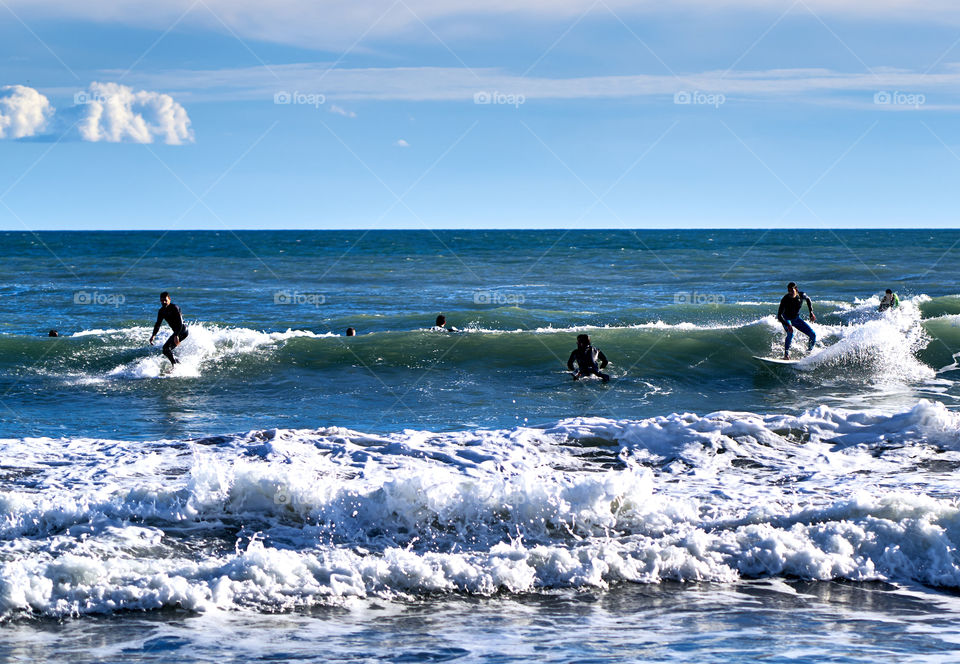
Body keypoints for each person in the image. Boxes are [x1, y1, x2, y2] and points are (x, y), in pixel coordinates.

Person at [777, 282, 816, 359]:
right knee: (791, 333)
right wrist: (787, 324)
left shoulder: (802, 295)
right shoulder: (785, 299)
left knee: (813, 334)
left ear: (796, 289)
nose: (790, 293)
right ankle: (786, 355)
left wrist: (811, 312)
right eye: (789, 291)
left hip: (796, 319)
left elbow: (808, 299)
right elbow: (779, 316)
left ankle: (809, 353)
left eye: (792, 291)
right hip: (786, 319)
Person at [149, 291, 188, 366]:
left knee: (166, 349)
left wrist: (176, 335)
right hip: (177, 332)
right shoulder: (161, 311)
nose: (163, 302)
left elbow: (180, 322)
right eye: (162, 300)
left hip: (182, 330)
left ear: (169, 299)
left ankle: (175, 365)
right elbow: (158, 324)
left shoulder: (175, 308)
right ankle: (178, 364)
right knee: (166, 350)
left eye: (165, 300)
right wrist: (153, 335)